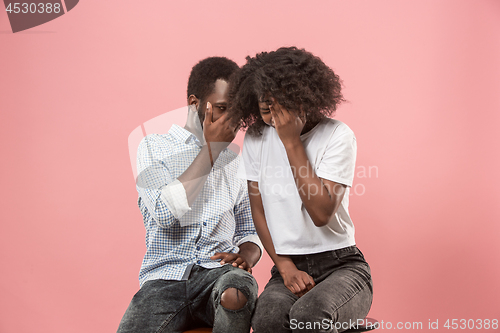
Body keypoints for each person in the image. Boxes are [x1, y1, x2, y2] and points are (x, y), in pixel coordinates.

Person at [230, 47, 373, 333]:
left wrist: (292, 142)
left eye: (277, 101)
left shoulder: (337, 135)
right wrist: (284, 267)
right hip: (287, 264)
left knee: (309, 317)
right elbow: (258, 210)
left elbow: (321, 213)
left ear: (302, 96)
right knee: (267, 320)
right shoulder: (257, 138)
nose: (269, 111)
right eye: (263, 102)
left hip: (341, 265)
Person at [117, 57, 262, 333]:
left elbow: (250, 227)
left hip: (218, 275)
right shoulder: (153, 147)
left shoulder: (237, 163)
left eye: (235, 113)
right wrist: (210, 151)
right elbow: (163, 213)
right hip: (163, 280)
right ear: (195, 103)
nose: (229, 122)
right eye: (221, 109)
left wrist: (246, 254)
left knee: (238, 289)